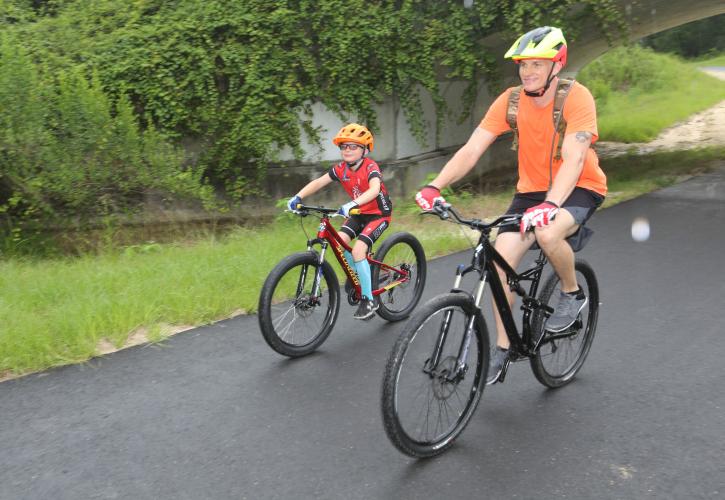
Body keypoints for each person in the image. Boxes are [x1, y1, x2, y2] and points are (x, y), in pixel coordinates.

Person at [414, 26, 607, 384]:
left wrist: (551, 203)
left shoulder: (576, 98)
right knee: (498, 265)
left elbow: (575, 156)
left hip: (579, 185)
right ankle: (504, 349)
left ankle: (571, 291)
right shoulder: (511, 101)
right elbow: (472, 149)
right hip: (531, 192)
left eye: (537, 64)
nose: (528, 71)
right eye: (523, 65)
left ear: (556, 65)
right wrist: (435, 185)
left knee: (549, 234)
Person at [287, 123, 393, 320]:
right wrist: (298, 197)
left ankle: (369, 300)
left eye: (353, 146)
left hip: (378, 214)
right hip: (358, 213)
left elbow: (374, 190)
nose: (347, 150)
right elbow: (319, 182)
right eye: (344, 146)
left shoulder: (370, 166)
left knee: (358, 250)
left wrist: (351, 203)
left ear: (364, 149)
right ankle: (364, 274)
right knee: (339, 242)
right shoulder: (341, 169)